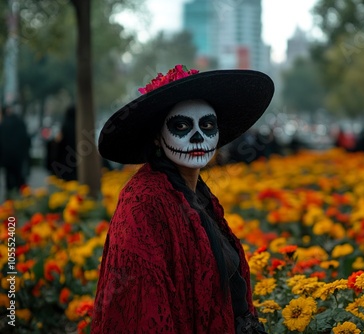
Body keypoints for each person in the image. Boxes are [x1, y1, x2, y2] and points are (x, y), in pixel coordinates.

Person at [91, 65, 274, 333]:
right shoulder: (142, 202)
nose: (198, 137)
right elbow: (140, 309)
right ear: (157, 137)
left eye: (208, 125)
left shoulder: (199, 195)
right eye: (181, 125)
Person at [0, 104, 31, 198]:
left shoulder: (3, 125)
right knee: (20, 179)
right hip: (19, 158)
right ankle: (21, 200)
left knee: (9, 179)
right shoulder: (21, 123)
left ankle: (9, 200)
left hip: (7, 159)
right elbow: (27, 140)